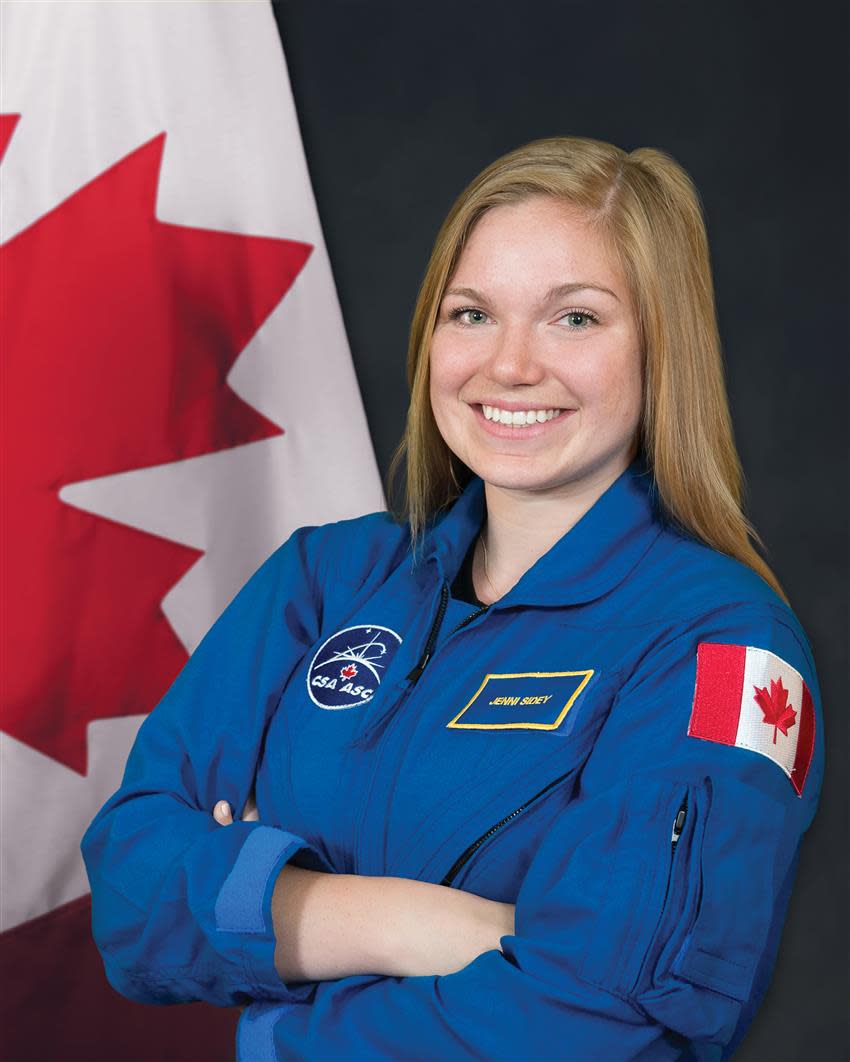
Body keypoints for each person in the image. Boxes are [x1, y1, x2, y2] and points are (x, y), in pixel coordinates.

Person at [82, 135, 823, 1061]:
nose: (509, 365)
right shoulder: (325, 582)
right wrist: (408, 923)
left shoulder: (720, 647)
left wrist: (278, 1019)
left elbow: (605, 1019)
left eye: (576, 320)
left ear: (662, 347)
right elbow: (128, 891)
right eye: (472, 313)